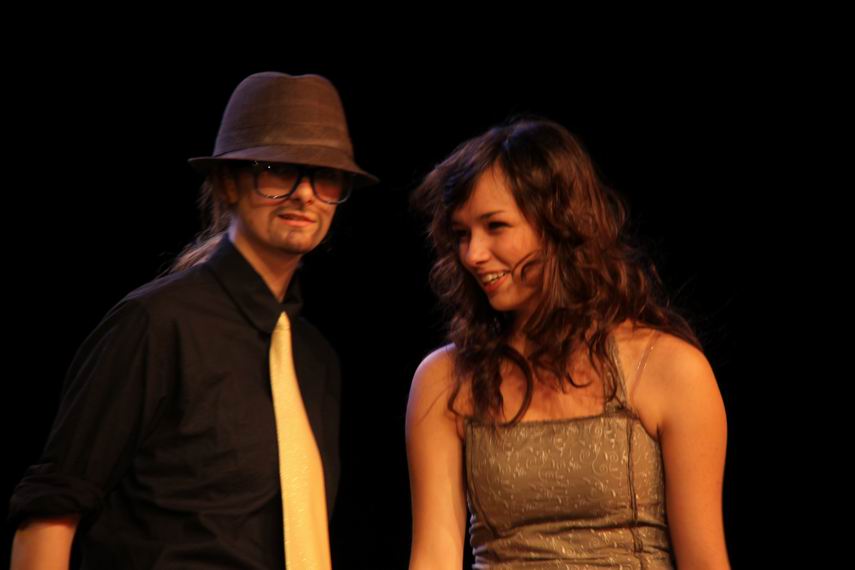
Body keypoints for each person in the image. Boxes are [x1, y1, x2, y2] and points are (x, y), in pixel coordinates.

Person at [9, 71, 378, 569]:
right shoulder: (155, 324)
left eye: (325, 176)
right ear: (228, 183)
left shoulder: (314, 359)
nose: (305, 194)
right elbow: (52, 507)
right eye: (277, 170)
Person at [406, 117, 729, 569]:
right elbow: (433, 556)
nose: (473, 254)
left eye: (495, 226)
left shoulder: (669, 369)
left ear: (560, 226)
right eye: (462, 234)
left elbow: (705, 561)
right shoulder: (445, 381)